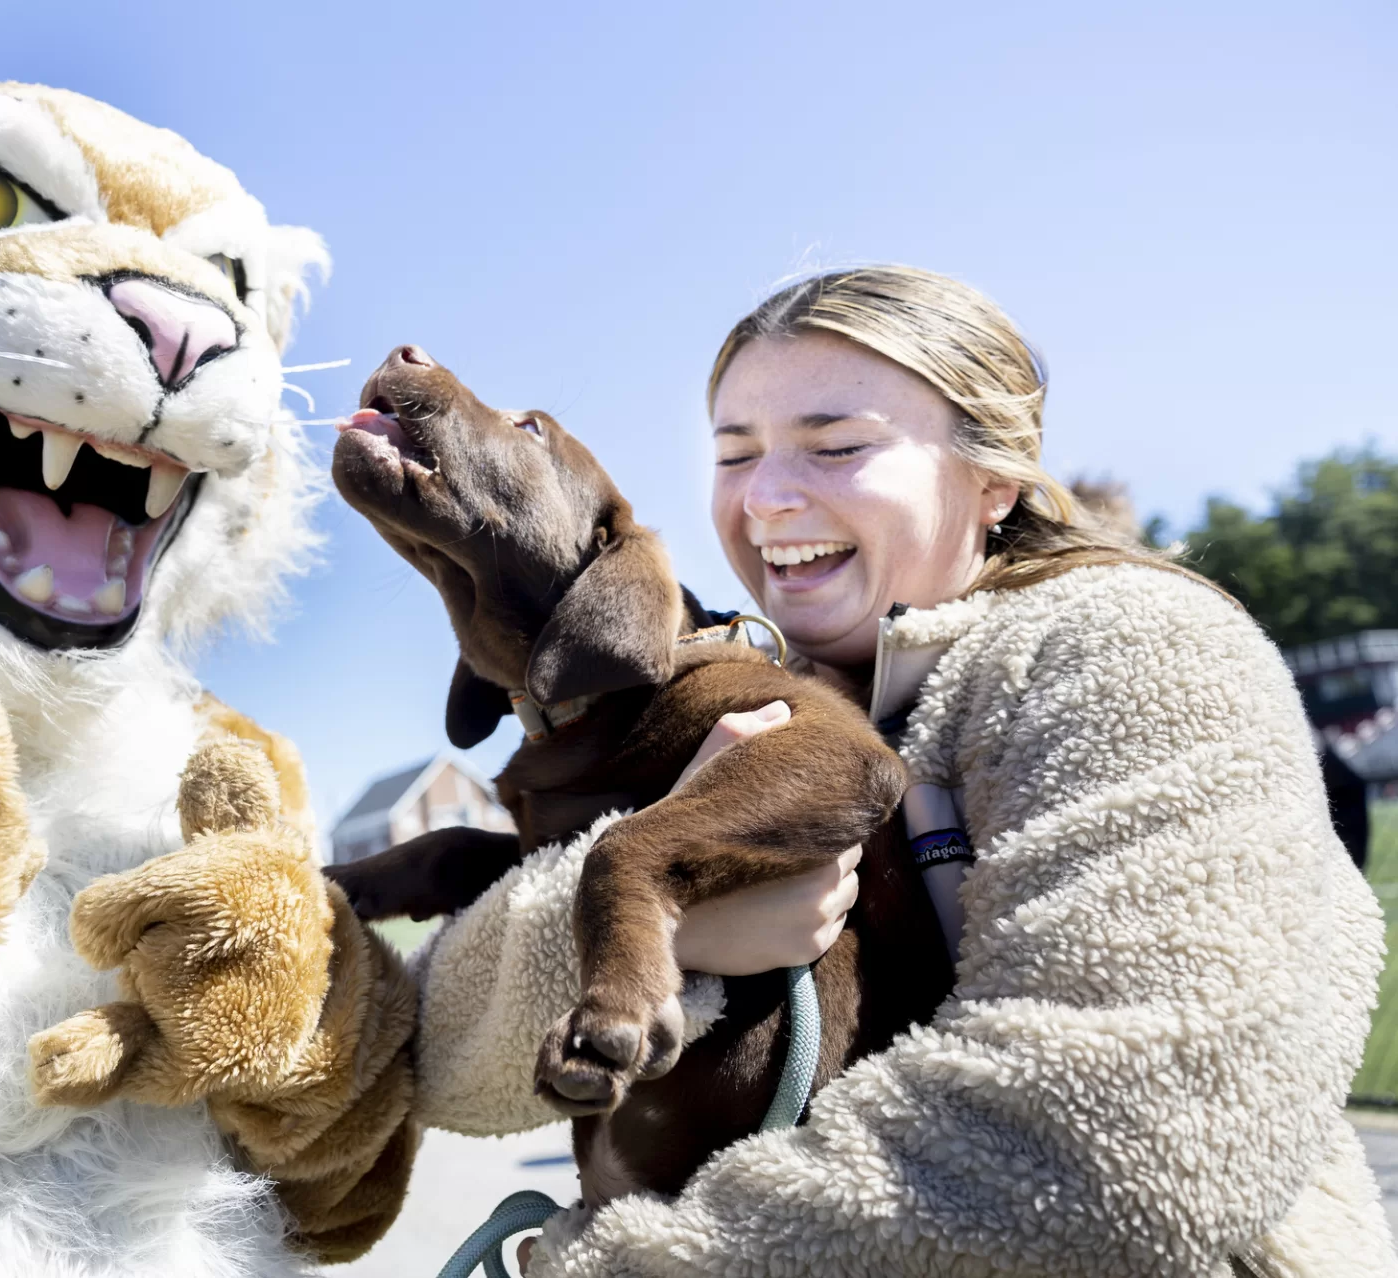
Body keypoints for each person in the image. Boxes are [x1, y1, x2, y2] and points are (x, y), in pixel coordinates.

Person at [408, 266, 1394, 1276]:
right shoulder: (727, 704)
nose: (766, 498)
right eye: (732, 455)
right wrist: (652, 924)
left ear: (992, 479)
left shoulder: (1132, 651)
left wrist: (617, 1264)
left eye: (835, 447)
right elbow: (433, 1064)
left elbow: (1125, 1132)